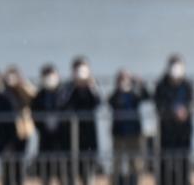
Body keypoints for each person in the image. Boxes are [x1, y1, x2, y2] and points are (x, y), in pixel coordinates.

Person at [154, 55, 194, 185]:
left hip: (184, 132)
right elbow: (159, 105)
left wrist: (185, 111)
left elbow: (192, 103)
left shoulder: (187, 85)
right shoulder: (161, 85)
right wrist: (172, 112)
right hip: (167, 131)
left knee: (183, 161)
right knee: (165, 162)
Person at [108, 70, 150, 185]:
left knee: (135, 162)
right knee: (117, 162)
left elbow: (147, 96)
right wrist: (118, 90)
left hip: (134, 134)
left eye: (126, 78)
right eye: (121, 79)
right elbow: (110, 102)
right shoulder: (116, 95)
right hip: (118, 134)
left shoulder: (134, 95)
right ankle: (117, 182)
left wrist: (141, 84)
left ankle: (133, 182)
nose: (124, 81)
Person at [64, 57, 101, 185]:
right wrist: (74, 85)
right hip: (71, 138)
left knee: (88, 174)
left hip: (89, 137)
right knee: (71, 174)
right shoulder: (68, 87)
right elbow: (63, 104)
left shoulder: (92, 85)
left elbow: (98, 102)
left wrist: (91, 85)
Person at [0, 67, 35, 185]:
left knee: (19, 165)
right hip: (4, 136)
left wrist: (22, 83)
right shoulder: (2, 93)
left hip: (21, 134)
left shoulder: (21, 91)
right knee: (7, 167)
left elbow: (34, 96)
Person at [31, 64, 65, 185]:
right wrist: (42, 126)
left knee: (63, 173)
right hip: (45, 139)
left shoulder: (64, 92)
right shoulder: (39, 95)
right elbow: (34, 113)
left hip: (61, 140)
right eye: (46, 75)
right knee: (45, 174)